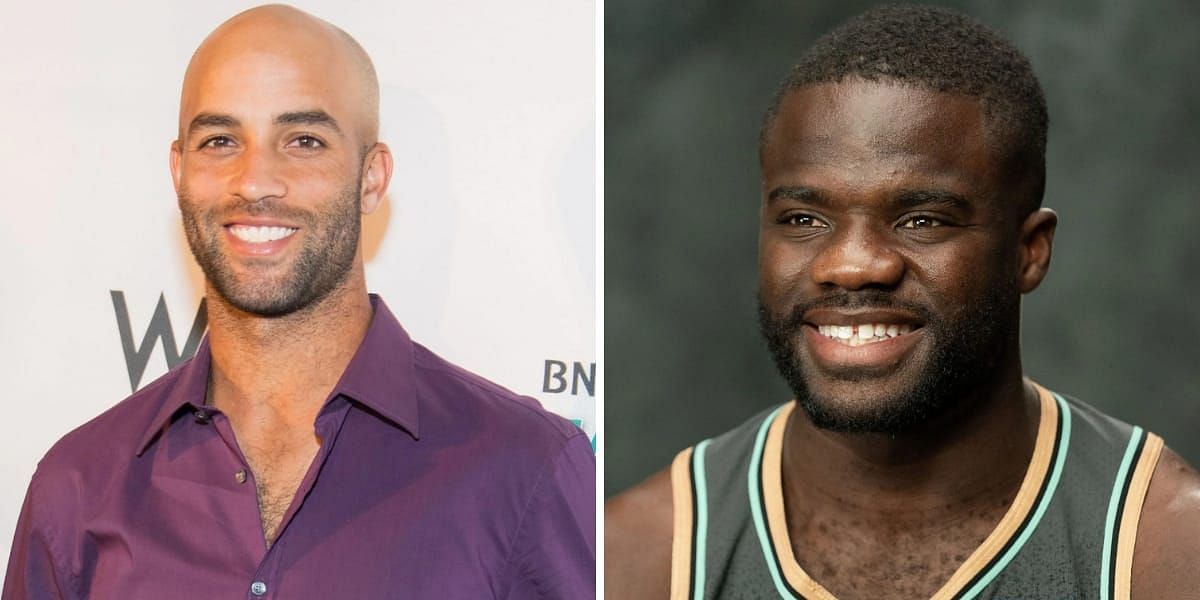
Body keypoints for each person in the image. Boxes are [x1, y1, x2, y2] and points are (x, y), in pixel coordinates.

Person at [605, 5, 1199, 599]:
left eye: (921, 220)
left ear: (1029, 252)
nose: (851, 264)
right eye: (804, 218)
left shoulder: (1168, 549)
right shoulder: (636, 559)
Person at [3, 5, 594, 599]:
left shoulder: (526, 470)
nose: (255, 179)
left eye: (304, 140)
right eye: (220, 140)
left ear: (371, 178)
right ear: (179, 171)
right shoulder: (80, 484)